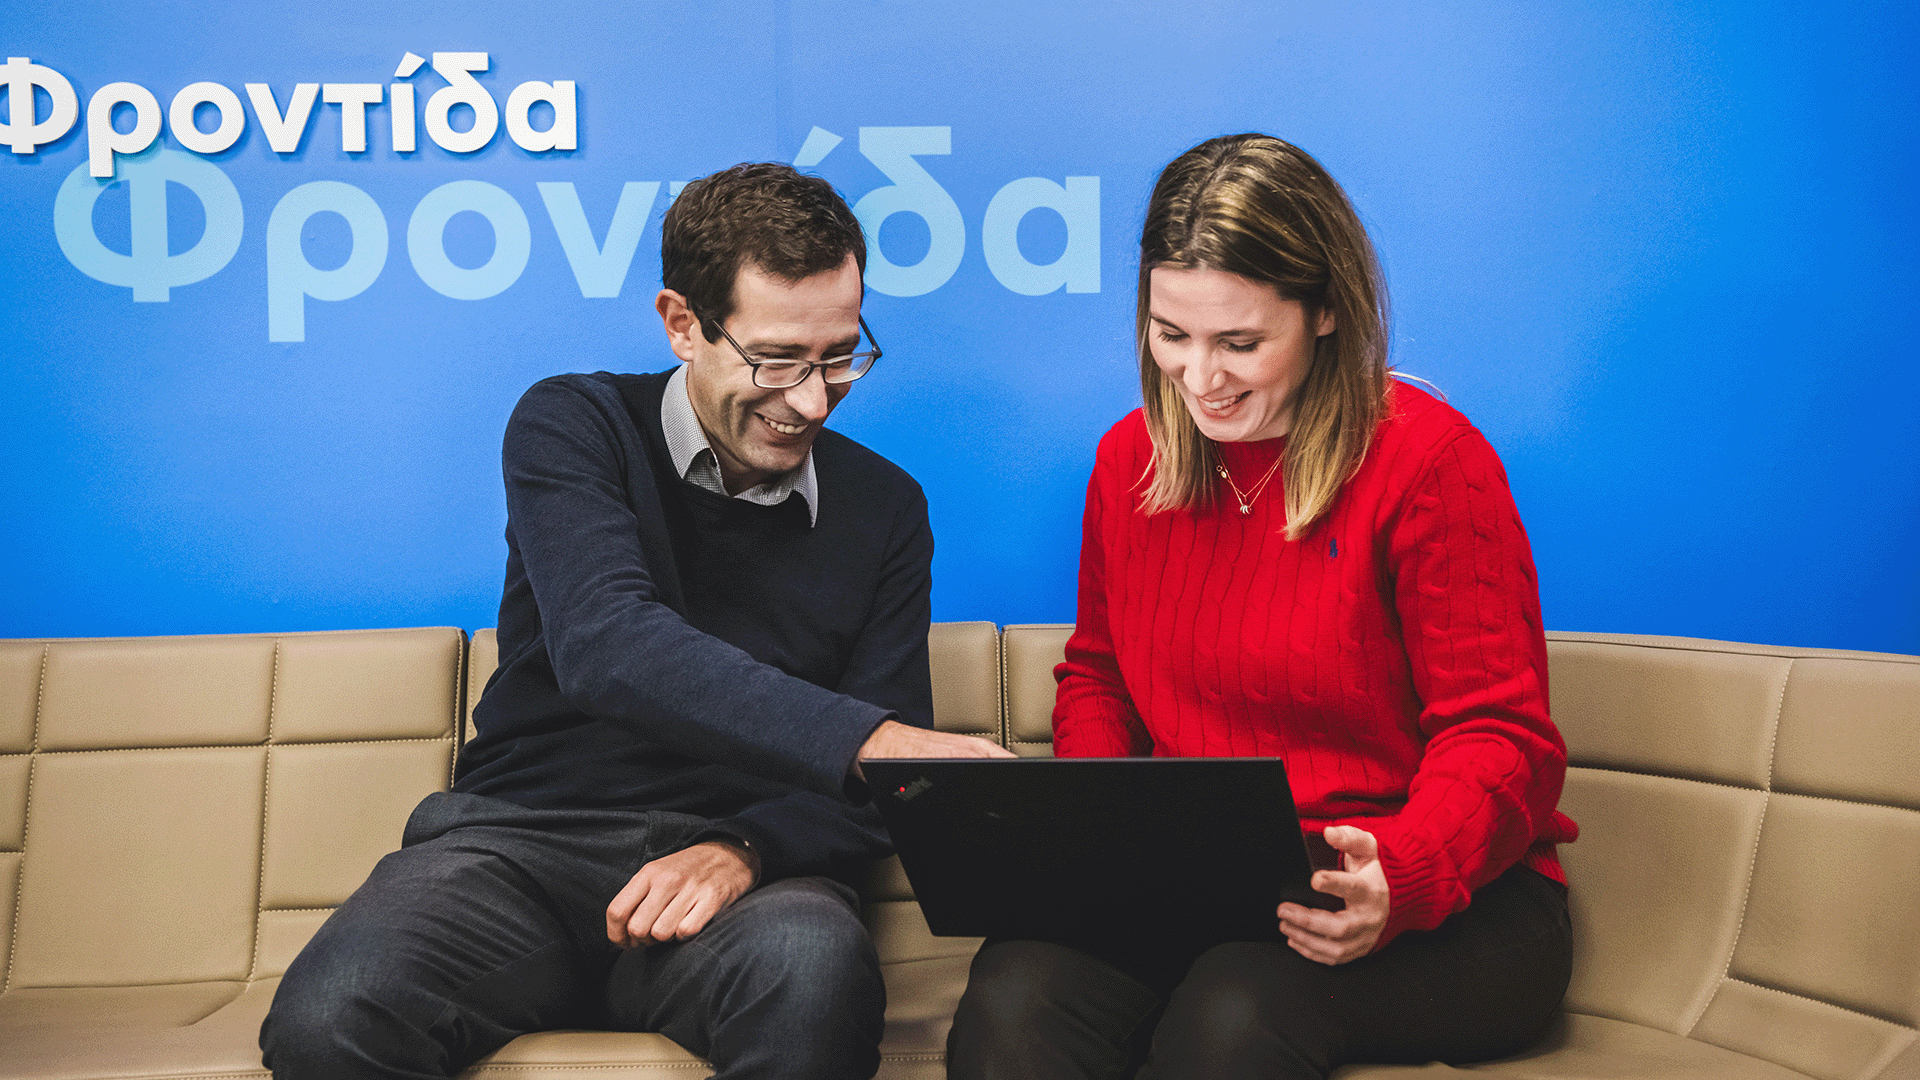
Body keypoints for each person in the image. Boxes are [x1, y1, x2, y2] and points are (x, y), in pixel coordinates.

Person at [260, 162, 1011, 1080]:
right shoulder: (573, 423)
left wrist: (747, 847)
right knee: (332, 1014)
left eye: (840, 356)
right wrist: (872, 740)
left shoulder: (886, 507)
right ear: (682, 323)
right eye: (776, 360)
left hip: (747, 878)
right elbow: (610, 648)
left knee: (813, 974)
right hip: (520, 848)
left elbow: (874, 796)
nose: (812, 399)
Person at [946, 134, 1579, 1080]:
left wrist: (1401, 871)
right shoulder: (1129, 461)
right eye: (1172, 335)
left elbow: (1502, 736)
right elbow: (1101, 675)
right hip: (1196, 880)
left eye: (1239, 344)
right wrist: (1096, 836)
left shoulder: (1431, 463)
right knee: (1013, 1002)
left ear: (1326, 310)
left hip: (1440, 894)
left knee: (1232, 1016)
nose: (1200, 379)